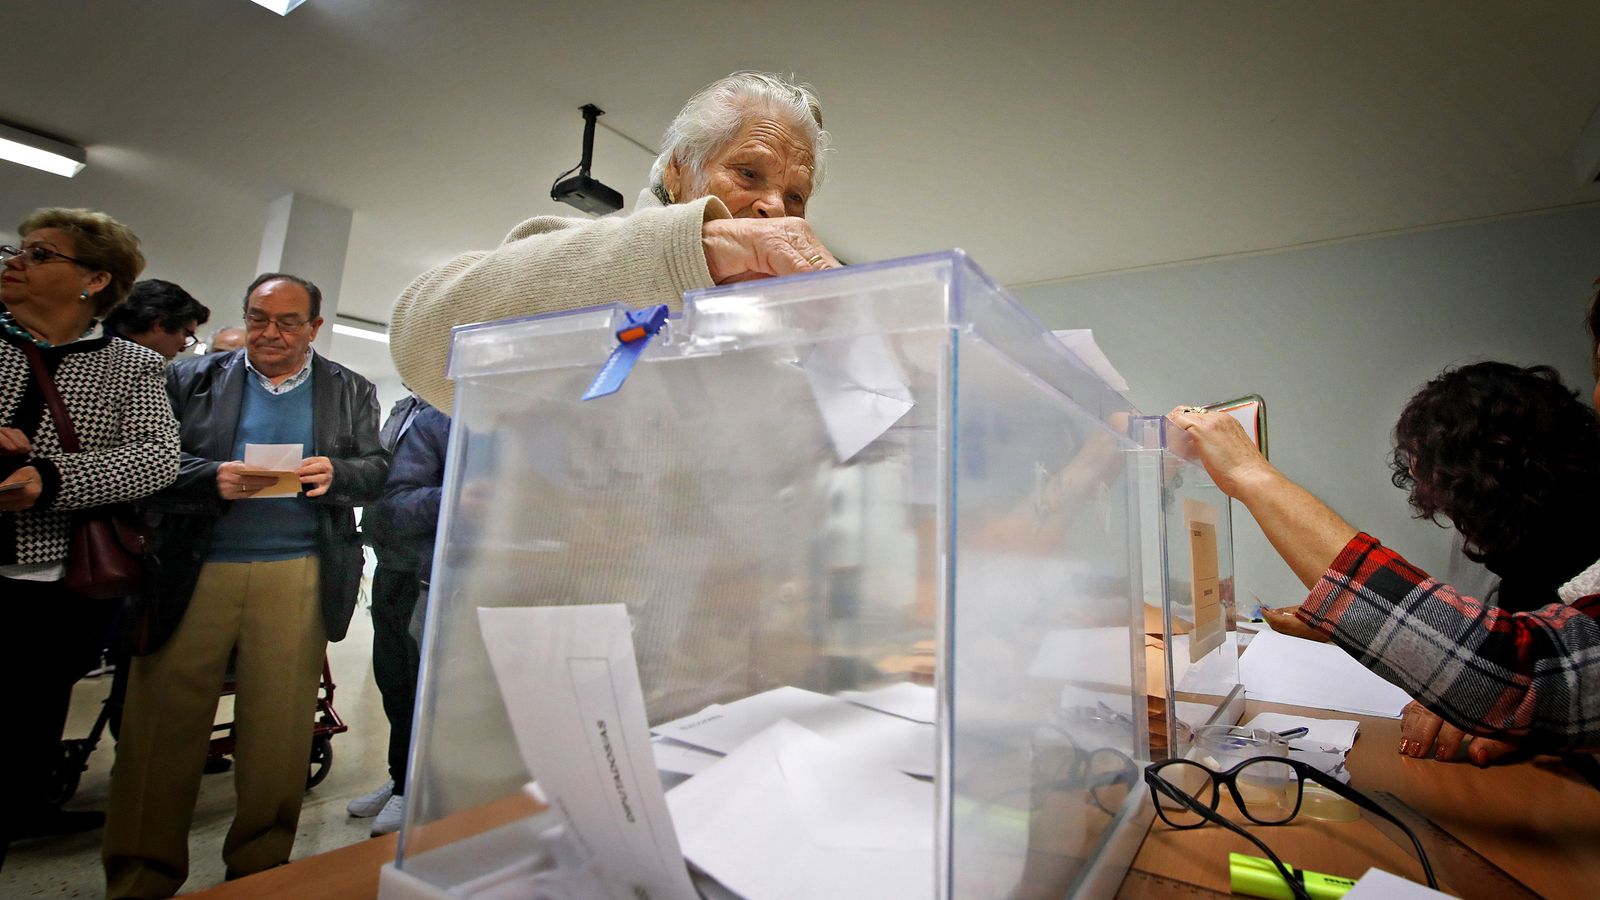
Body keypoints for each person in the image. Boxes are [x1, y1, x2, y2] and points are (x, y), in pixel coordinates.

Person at [102, 273, 388, 897]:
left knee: (280, 731)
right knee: (161, 731)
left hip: (298, 570)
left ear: (315, 327)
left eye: (289, 322)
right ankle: (139, 878)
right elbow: (143, 459)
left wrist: (337, 471)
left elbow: (376, 471)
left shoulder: (350, 389)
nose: (271, 333)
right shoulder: (186, 379)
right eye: (259, 318)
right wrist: (208, 478)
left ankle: (258, 872)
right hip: (194, 568)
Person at [1169, 360, 1600, 762]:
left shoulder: (1570, 555)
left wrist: (1251, 474)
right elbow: (1521, 665)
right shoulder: (1525, 561)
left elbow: (1511, 672)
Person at [391, 71, 840, 412]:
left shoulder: (782, 340)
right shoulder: (567, 249)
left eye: (795, 196)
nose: (775, 208)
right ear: (678, 170)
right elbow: (420, 342)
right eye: (747, 173)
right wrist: (691, 253)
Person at [0, 209, 179, 851]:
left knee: (26, 722)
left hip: (47, 579)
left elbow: (156, 457)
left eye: (41, 254)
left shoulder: (128, 365)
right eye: (19, 249)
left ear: (95, 279)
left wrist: (47, 479)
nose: (16, 261)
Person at [348, 394, 449, 836]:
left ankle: (416, 787)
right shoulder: (404, 408)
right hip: (390, 565)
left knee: (423, 686)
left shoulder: (448, 410)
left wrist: (464, 491)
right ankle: (399, 776)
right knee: (394, 681)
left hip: (428, 571)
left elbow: (402, 499)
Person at [102, 279, 210, 360]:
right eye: (186, 335)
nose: (183, 348)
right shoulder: (140, 369)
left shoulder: (95, 347)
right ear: (160, 324)